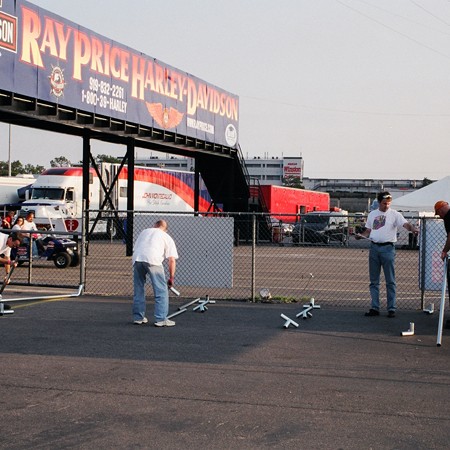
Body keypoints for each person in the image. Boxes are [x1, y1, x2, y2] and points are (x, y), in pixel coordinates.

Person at [357, 191, 418, 318]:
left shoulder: (395, 214)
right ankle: (375, 307)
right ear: (379, 202)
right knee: (374, 281)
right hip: (374, 248)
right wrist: (361, 236)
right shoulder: (372, 214)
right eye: (384, 203)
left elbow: (405, 224)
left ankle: (391, 308)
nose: (387, 206)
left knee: (390, 280)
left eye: (389, 203)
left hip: (388, 248)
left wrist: (412, 229)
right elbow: (368, 230)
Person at [132, 219, 179, 326]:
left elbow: (136, 248)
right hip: (153, 260)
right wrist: (171, 278)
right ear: (165, 229)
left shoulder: (144, 232)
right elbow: (172, 260)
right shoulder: (166, 237)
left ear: (154, 225)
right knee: (161, 290)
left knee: (138, 289)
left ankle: (138, 317)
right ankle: (161, 319)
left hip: (137, 259)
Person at [434, 200, 450, 329]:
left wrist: (445, 250)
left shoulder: (448, 217)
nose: (439, 216)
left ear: (441, 209)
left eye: (438, 213)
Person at [0, 231, 22, 312]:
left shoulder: (8, 245)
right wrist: (10, 263)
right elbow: (8, 261)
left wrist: (7, 275)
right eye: (14, 245)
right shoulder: (1, 240)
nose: (14, 247)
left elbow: (7, 258)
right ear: (10, 239)